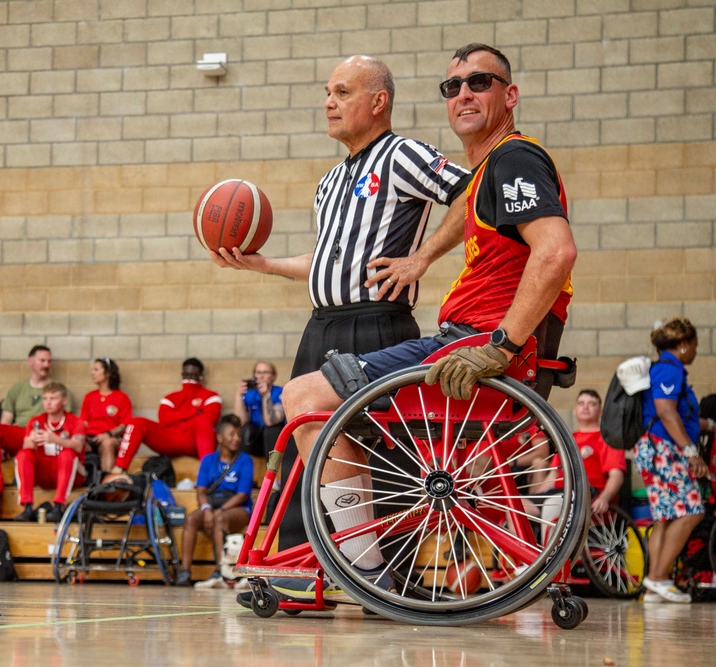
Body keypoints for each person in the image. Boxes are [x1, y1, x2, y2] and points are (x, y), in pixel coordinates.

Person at [275, 43, 576, 599]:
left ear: (509, 95)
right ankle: (362, 564)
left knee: (303, 396)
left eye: (480, 82)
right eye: (452, 86)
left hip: (473, 343)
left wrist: (503, 344)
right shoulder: (489, 168)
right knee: (322, 406)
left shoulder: (513, 157)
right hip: (462, 339)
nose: (464, 93)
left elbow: (556, 252)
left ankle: (363, 571)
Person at [211, 54, 470, 560]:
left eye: (343, 92)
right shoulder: (329, 182)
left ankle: (377, 570)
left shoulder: (402, 155)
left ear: (378, 101)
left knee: (379, 454)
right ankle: (302, 570)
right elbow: (328, 262)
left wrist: (421, 258)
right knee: (303, 452)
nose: (329, 102)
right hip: (321, 328)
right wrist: (262, 264)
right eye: (328, 93)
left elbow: (469, 192)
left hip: (378, 325)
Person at [635, 317, 714, 603]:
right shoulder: (669, 370)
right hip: (663, 449)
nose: (695, 351)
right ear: (683, 344)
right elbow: (666, 412)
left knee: (665, 519)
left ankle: (654, 586)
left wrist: (708, 425)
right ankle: (658, 578)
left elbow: (680, 415)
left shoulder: (666, 369)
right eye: (694, 345)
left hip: (656, 447)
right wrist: (692, 453)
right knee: (692, 512)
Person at [536, 390, 626, 541]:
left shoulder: (607, 438)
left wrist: (604, 498)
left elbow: (616, 475)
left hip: (587, 496)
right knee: (518, 506)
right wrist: (536, 496)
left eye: (592, 404)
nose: (585, 407)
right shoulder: (567, 440)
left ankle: (550, 555)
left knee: (553, 504)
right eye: (581, 403)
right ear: (575, 410)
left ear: (600, 412)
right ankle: (524, 554)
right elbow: (553, 475)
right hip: (558, 493)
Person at [176, 415, 254, 589]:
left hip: (238, 507)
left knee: (220, 518)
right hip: (212, 503)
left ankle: (221, 571)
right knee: (191, 519)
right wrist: (206, 509)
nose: (237, 438)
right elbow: (201, 491)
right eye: (232, 434)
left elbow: (242, 494)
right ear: (219, 437)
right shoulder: (209, 460)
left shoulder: (245, 460)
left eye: (238, 435)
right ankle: (184, 571)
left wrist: (220, 510)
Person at [109, 358, 222, 476]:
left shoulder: (211, 396)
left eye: (193, 375)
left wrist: (178, 416)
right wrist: (195, 412)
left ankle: (208, 474)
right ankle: (119, 468)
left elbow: (210, 419)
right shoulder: (170, 397)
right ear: (182, 374)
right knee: (136, 422)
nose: (189, 378)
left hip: (196, 440)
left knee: (203, 422)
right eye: (186, 375)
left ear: (201, 376)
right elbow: (164, 419)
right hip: (171, 439)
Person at [0, 345, 70, 473]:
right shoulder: (17, 389)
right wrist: (0, 445)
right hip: (20, 433)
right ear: (30, 361)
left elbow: (66, 421)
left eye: (49, 361)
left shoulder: (59, 390)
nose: (46, 365)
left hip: (44, 435)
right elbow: (6, 421)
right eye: (42, 361)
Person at [14, 383, 87, 523]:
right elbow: (26, 445)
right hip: (45, 472)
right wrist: (33, 439)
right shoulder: (35, 421)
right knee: (23, 454)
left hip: (71, 473)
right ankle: (27, 507)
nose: (48, 403)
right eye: (45, 398)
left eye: (53, 398)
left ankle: (59, 506)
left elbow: (78, 446)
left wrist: (56, 439)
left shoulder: (75, 421)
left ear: (64, 401)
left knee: (67, 454)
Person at [80, 357, 133, 475]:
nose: (92, 373)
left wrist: (107, 434)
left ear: (108, 373)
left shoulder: (122, 397)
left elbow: (125, 425)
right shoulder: (89, 397)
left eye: (96, 369)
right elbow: (83, 422)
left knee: (107, 443)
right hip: (91, 437)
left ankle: (107, 481)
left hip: (112, 437)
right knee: (77, 444)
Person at [233, 361, 285, 460]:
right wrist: (238, 395)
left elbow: (270, 421)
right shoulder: (250, 393)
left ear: (273, 376)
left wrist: (265, 395)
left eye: (266, 372)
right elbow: (240, 421)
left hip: (274, 439)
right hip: (255, 438)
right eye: (258, 373)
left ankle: (273, 468)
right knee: (244, 430)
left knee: (271, 431)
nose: (261, 376)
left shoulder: (281, 392)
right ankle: (243, 466)